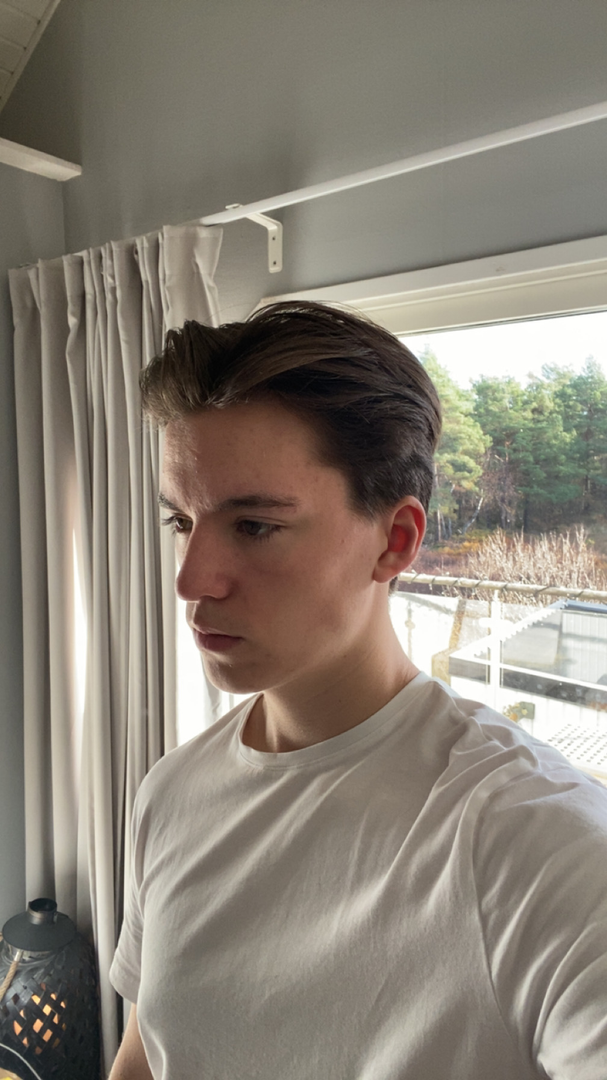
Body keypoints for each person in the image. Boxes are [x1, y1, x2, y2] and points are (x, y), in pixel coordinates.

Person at [108, 301, 607, 1080]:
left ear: (394, 541)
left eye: (254, 526)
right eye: (182, 522)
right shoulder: (171, 794)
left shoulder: (536, 843)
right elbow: (147, 1056)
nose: (192, 580)